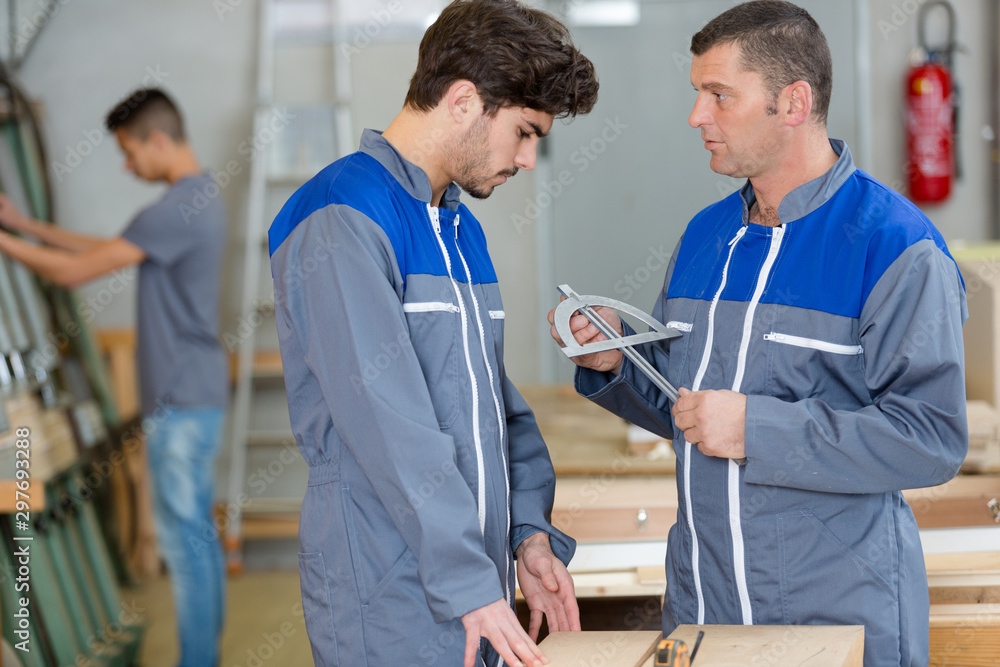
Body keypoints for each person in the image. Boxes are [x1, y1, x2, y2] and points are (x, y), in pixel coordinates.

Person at [550, 2, 967, 665]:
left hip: (836, 625)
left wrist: (756, 429)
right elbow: (689, 410)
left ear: (793, 102)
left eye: (719, 95)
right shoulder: (705, 237)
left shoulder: (894, 247)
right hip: (702, 617)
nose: (697, 116)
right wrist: (618, 363)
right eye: (698, 93)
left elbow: (930, 440)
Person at [268, 1, 598, 665]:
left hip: (473, 587)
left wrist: (528, 534)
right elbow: (390, 427)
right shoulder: (341, 217)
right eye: (524, 132)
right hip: (389, 594)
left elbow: (492, 404)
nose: (529, 159)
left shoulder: (458, 228)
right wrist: (469, 581)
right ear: (464, 101)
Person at [0, 88, 228, 667]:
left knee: (184, 548)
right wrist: (23, 226)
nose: (127, 165)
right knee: (197, 541)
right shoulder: (197, 199)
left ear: (158, 140)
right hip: (197, 397)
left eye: (129, 152)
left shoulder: (173, 208)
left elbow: (75, 273)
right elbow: (106, 249)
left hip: (180, 402)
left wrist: (3, 240)